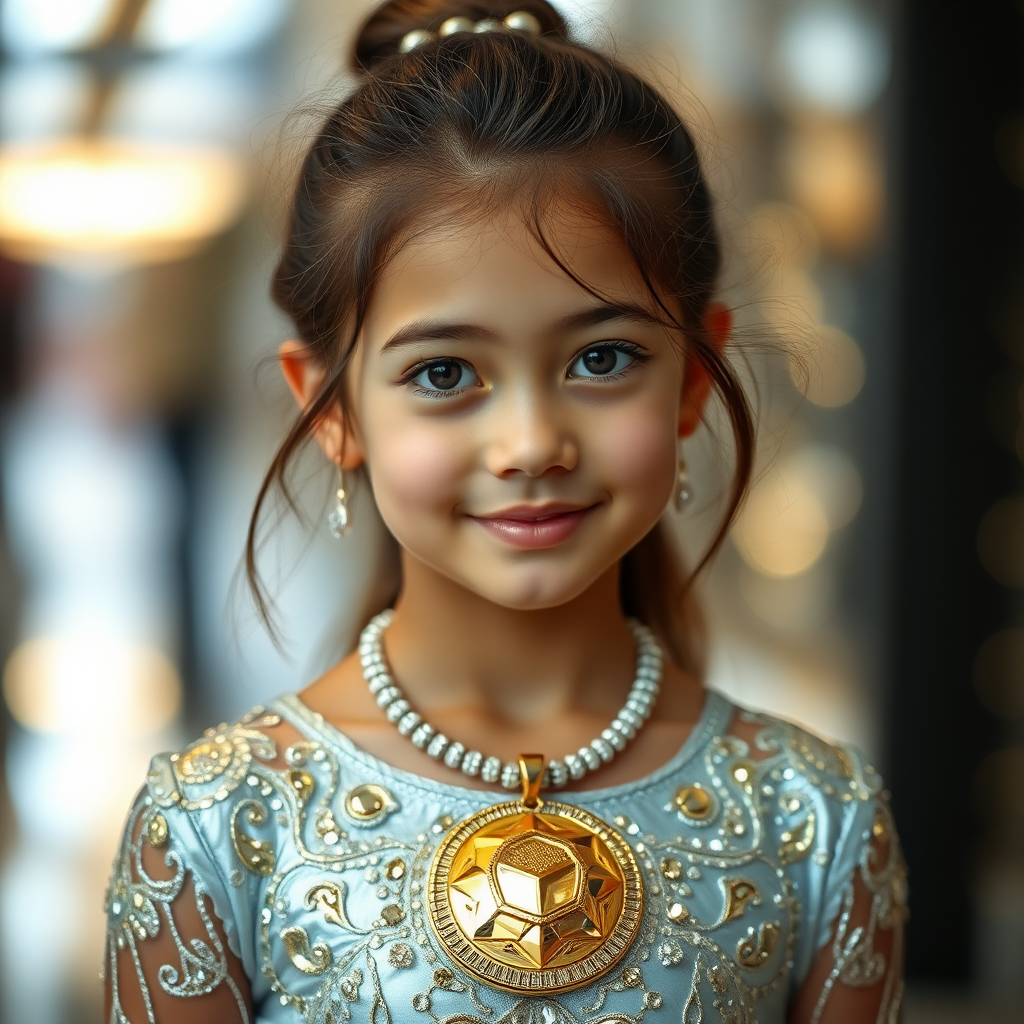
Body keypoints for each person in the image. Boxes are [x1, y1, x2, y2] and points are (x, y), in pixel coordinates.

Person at [102, 3, 907, 1022]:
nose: (530, 442)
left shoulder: (817, 817)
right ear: (333, 408)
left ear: (694, 376)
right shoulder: (216, 824)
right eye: (445, 372)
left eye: (601, 358)